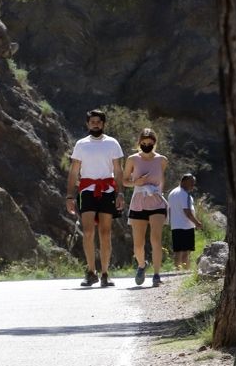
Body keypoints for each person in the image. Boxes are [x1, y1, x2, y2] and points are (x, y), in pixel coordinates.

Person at [66, 109, 124, 287]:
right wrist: (69, 195)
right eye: (92, 122)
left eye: (99, 121)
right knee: (89, 232)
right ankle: (91, 272)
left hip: (107, 190)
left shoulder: (112, 143)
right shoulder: (81, 144)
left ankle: (105, 273)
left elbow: (118, 170)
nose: (96, 124)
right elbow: (74, 171)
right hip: (87, 190)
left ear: (103, 123)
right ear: (87, 124)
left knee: (105, 233)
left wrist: (120, 192)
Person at [123, 128, 167, 287]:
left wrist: (158, 192)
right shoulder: (132, 159)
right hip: (138, 202)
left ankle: (156, 275)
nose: (146, 145)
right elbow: (124, 181)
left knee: (155, 239)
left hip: (156, 202)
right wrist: (137, 183)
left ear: (154, 143)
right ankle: (142, 265)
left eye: (150, 143)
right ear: (139, 143)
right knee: (138, 244)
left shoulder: (162, 160)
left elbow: (161, 179)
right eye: (144, 143)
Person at [167, 173, 204, 271]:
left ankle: (177, 270)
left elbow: (170, 210)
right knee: (186, 251)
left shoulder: (172, 193)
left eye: (194, 183)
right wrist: (197, 223)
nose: (193, 185)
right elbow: (187, 211)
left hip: (175, 225)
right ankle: (186, 271)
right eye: (191, 182)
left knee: (178, 250)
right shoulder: (184, 194)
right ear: (183, 181)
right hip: (185, 226)